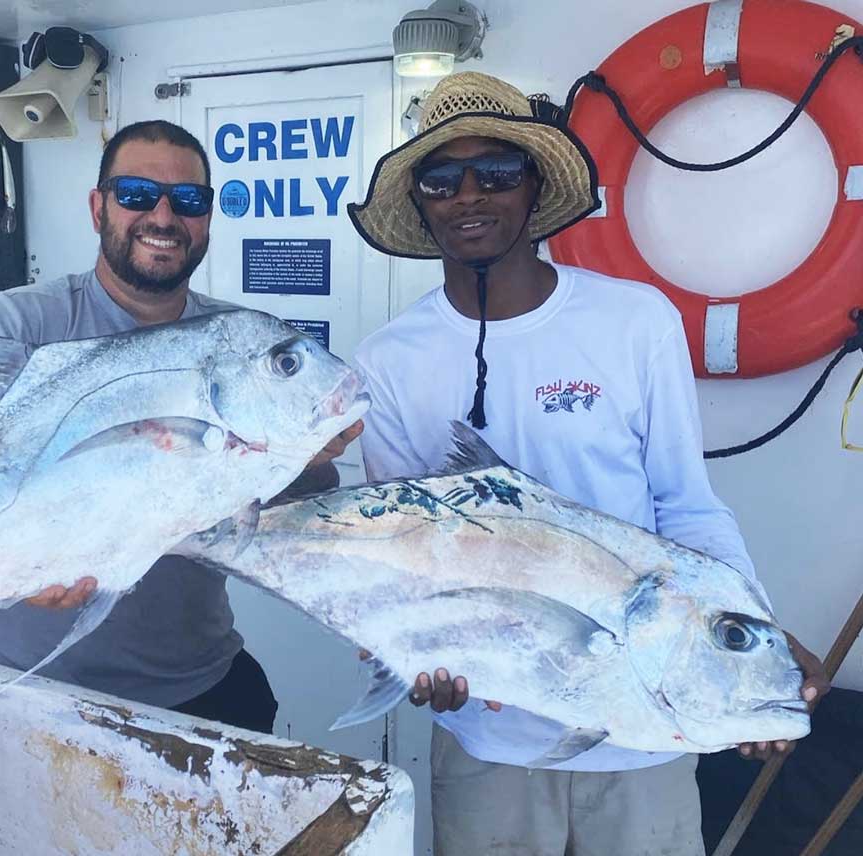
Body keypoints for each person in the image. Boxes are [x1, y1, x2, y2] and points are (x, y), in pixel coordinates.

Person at [347, 72, 830, 855]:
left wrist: (747, 625)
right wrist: (411, 652)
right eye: (442, 178)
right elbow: (405, 556)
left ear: (534, 188)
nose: (470, 195)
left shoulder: (634, 321)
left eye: (497, 172)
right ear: (423, 202)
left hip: (651, 723)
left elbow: (686, 504)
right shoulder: (388, 361)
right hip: (487, 735)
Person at [0, 119, 362, 733]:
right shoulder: (15, 322)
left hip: (198, 683)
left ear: (207, 220)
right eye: (137, 195)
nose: (164, 216)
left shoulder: (241, 338)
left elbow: (270, 511)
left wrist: (309, 459)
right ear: (99, 208)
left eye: (190, 201)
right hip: (23, 690)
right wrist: (16, 574)